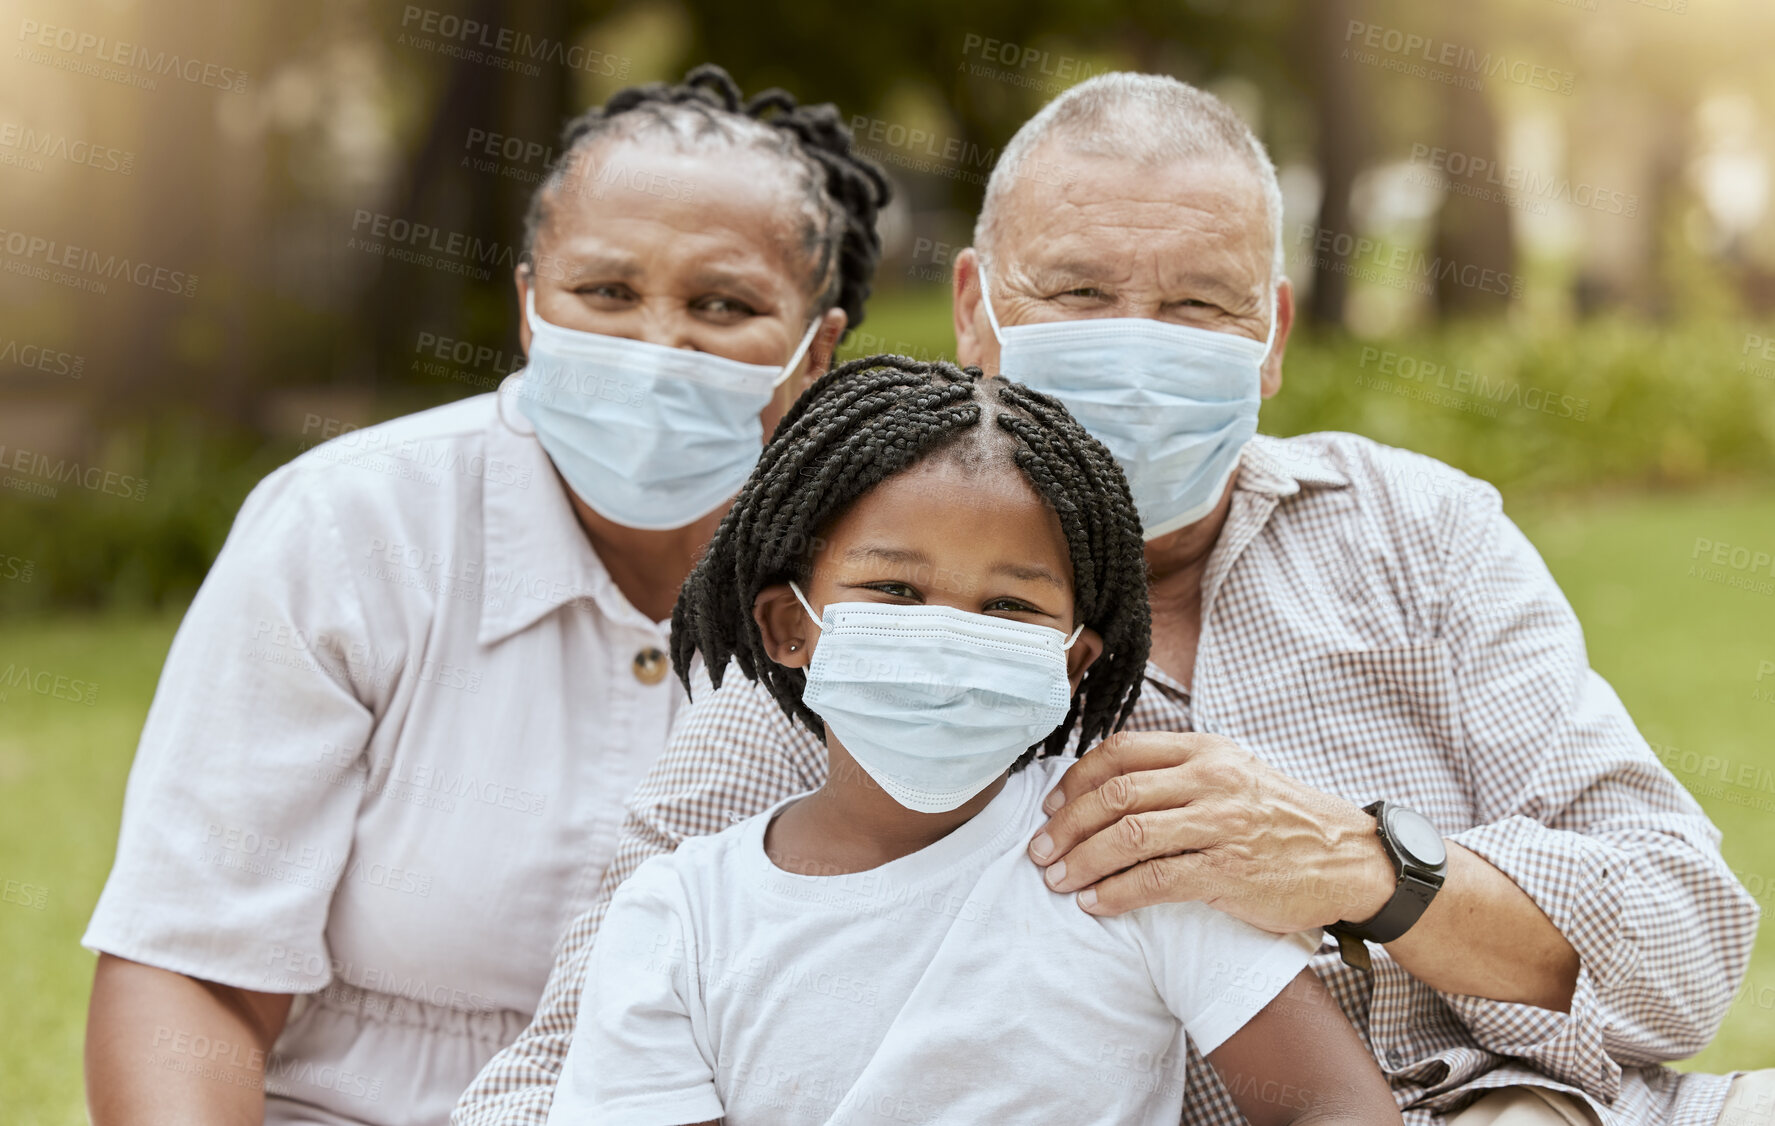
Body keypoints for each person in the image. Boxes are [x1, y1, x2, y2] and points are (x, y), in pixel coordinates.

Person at [459, 73, 1771, 1126]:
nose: (1132, 342)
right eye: (1077, 292)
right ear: (976, 307)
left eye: (1193, 303)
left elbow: (1680, 937)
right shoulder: (860, 620)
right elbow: (577, 1042)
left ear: (1266, 335)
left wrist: (1364, 865)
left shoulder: (1414, 533)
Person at [80, 65, 889, 1126]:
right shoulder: (347, 526)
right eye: (605, 292)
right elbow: (193, 970)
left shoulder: (893, 582)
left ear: (814, 350)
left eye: (721, 304)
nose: (654, 346)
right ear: (527, 308)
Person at [547, 354, 1403, 1126]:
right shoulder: (679, 919)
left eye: (1008, 607)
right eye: (893, 588)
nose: (948, 637)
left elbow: (1335, 1105)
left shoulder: (1128, 857)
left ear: (1072, 662)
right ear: (787, 627)